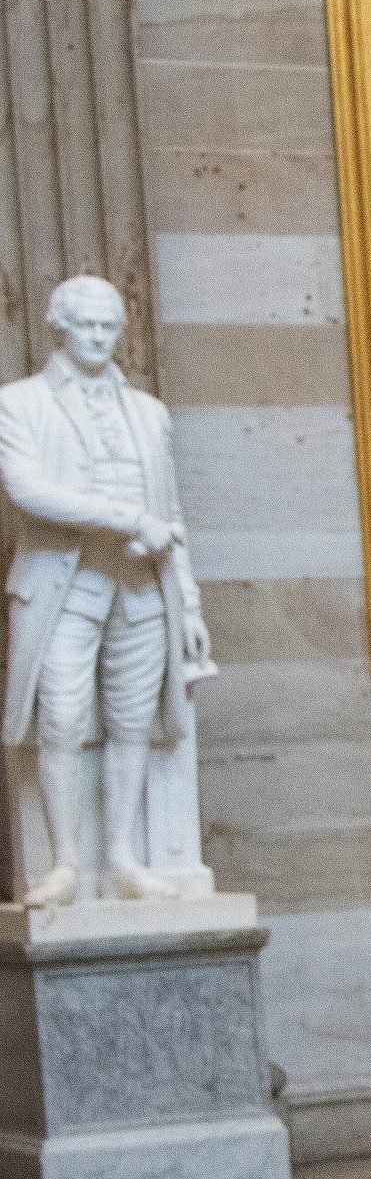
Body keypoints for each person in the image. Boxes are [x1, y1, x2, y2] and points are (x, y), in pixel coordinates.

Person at [3, 276, 216, 906]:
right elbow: (27, 491)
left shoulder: (148, 414)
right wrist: (123, 518)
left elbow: (170, 512)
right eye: (86, 326)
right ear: (59, 329)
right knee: (61, 717)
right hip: (62, 585)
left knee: (134, 721)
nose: (99, 338)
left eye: (109, 327)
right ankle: (67, 861)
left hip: (143, 587)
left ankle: (122, 855)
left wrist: (192, 603)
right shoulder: (22, 404)